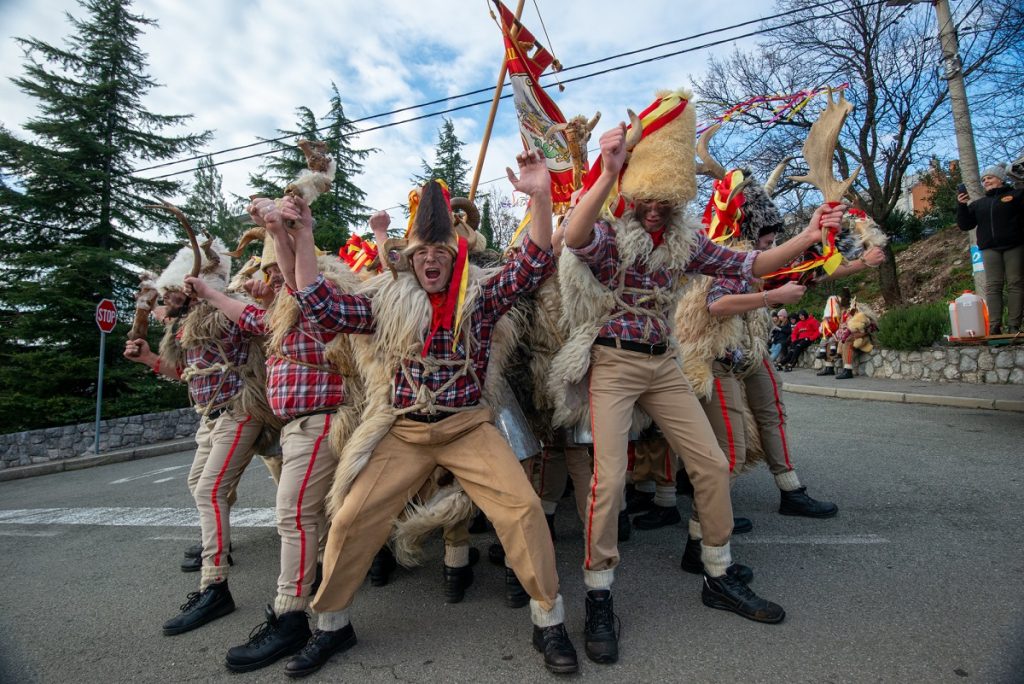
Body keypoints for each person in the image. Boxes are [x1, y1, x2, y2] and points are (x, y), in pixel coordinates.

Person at [553, 89, 842, 664]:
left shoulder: (688, 242)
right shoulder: (612, 234)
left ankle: (717, 571)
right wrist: (607, 174)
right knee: (609, 480)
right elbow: (574, 236)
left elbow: (752, 265)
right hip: (613, 361)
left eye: (667, 200)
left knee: (711, 463)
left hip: (662, 362)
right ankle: (599, 592)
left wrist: (810, 237)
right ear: (636, 191)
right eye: (648, 198)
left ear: (679, 198)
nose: (656, 209)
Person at [281, 151, 578, 677]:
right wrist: (303, 236)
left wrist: (539, 196)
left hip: (467, 427)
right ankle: (331, 625)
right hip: (405, 432)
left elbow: (532, 264)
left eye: (441, 251)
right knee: (350, 519)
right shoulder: (387, 301)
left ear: (454, 256)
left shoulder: (479, 298)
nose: (432, 261)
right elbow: (321, 305)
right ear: (410, 260)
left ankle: (548, 619)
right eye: (423, 254)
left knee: (524, 510)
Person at [185, 220, 362, 674]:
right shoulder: (285, 312)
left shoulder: (315, 300)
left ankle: (291, 617)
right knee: (311, 519)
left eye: (276, 274)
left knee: (295, 517)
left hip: (320, 422)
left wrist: (286, 235)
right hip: (300, 427)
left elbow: (295, 285)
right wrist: (209, 294)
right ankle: (328, 622)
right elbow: (246, 316)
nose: (269, 281)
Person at [124, 239, 275, 636]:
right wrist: (149, 359)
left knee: (210, 491)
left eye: (172, 293)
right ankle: (218, 550)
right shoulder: (186, 326)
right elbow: (189, 376)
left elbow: (259, 321)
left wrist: (212, 290)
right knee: (199, 485)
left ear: (190, 290)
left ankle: (214, 585)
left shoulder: (222, 312)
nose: (165, 301)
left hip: (240, 411)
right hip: (210, 417)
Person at [957, 165, 1024, 334]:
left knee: (1015, 283)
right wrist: (962, 206)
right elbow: (965, 225)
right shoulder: (979, 204)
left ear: (1001, 179)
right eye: (984, 179)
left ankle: (1014, 325)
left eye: (990, 178)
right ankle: (995, 325)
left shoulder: (1016, 195)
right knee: (993, 286)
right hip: (990, 249)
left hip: (1014, 246)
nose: (986, 181)